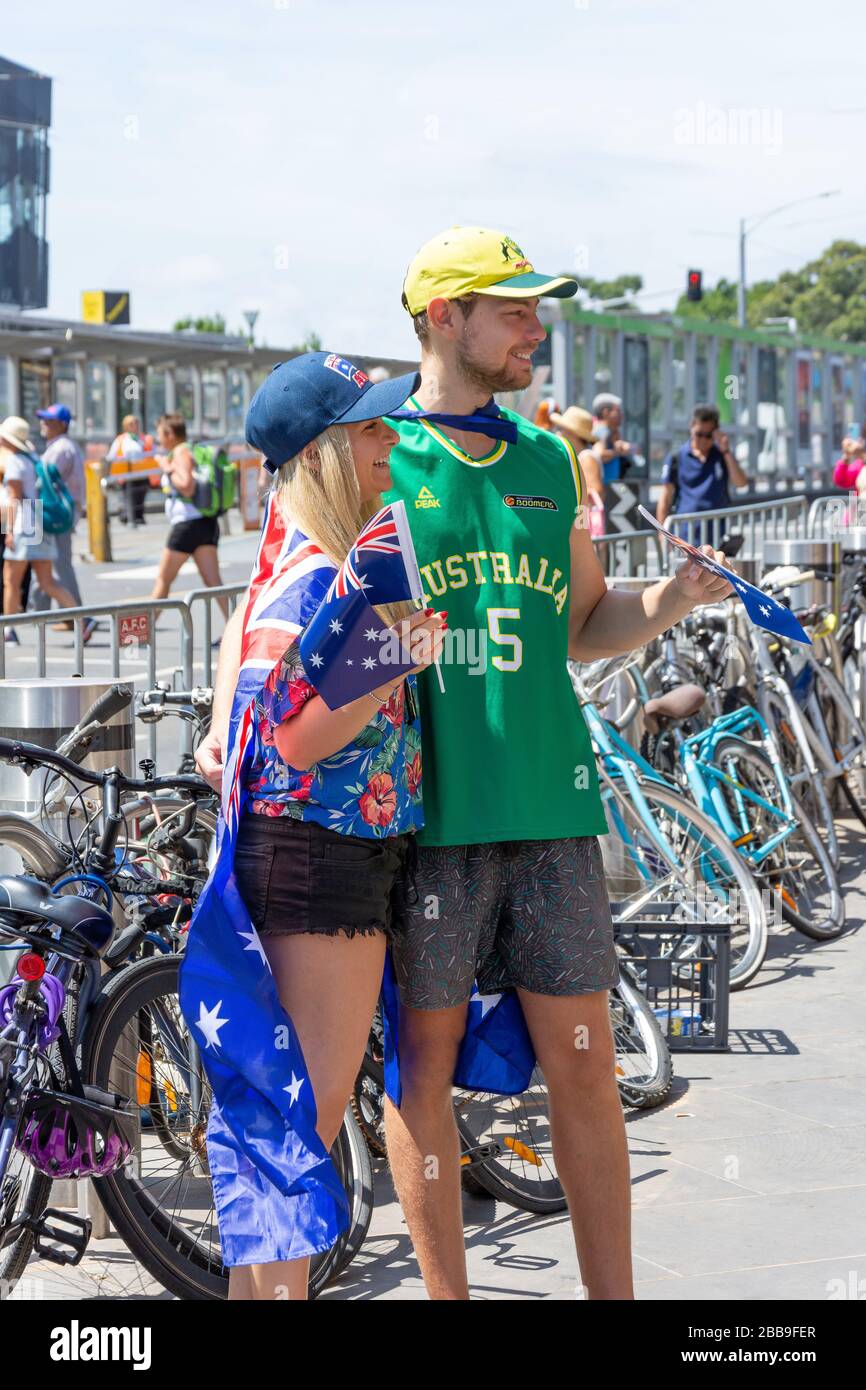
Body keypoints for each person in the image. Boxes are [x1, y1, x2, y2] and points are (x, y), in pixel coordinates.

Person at [197, 224, 733, 1301]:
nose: (537, 328)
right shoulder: (369, 455)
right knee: (421, 1075)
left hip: (550, 801)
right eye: (515, 308)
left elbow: (583, 620)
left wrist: (665, 603)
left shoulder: (546, 455)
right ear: (444, 316)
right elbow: (264, 596)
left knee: (586, 1064)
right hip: (425, 826)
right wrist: (224, 725)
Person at [185, 352, 446, 1300]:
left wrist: (222, 727)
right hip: (323, 866)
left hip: (305, 862)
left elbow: (241, 659)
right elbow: (297, 744)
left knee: (275, 1134)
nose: (391, 442)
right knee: (301, 1134)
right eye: (372, 428)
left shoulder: (289, 556)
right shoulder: (319, 576)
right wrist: (402, 654)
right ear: (328, 449)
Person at [0, 415, 87, 644]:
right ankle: (82, 620)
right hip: (39, 520)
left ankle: (9, 631)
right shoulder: (32, 458)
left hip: (24, 523)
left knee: (11, 578)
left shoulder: (16, 462)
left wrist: (9, 530)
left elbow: (14, 499)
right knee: (47, 581)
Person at [151, 412, 229, 620]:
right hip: (204, 523)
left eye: (160, 433)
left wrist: (167, 469)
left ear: (169, 434)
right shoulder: (188, 451)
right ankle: (238, 634)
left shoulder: (180, 453)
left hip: (187, 525)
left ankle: (143, 634)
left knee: (163, 580)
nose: (158, 439)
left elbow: (186, 485)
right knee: (214, 582)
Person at [29, 403, 86, 625]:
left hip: (55, 516)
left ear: (62, 424)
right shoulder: (61, 445)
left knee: (57, 563)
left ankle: (74, 615)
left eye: (48, 420)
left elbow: (43, 481)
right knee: (49, 563)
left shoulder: (61, 448)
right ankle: (46, 612)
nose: (43, 423)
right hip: (59, 514)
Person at [656, 404, 748, 540]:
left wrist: (726, 451)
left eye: (708, 435)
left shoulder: (722, 455)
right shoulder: (676, 457)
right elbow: (665, 497)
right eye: (699, 434)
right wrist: (662, 534)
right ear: (691, 428)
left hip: (718, 535)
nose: (703, 440)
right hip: (686, 537)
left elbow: (741, 483)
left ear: (716, 433)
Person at [550, 404, 606, 537]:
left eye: (561, 429)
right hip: (583, 525)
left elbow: (596, 492)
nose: (558, 433)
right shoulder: (580, 457)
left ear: (572, 432)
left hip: (586, 527)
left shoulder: (586, 457)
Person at [106, 413, 151, 525]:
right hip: (127, 473)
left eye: (136, 423)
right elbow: (112, 455)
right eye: (131, 424)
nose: (135, 426)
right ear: (126, 426)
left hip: (141, 472)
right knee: (128, 495)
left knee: (140, 494)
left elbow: (150, 452)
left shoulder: (143, 439)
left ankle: (138, 515)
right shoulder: (121, 440)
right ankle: (127, 515)